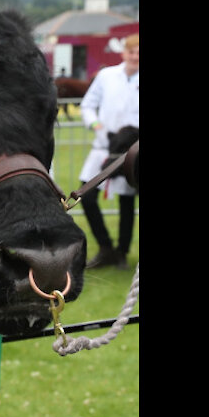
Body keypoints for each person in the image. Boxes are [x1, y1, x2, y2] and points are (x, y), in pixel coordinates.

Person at [78, 33, 139, 269]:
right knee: (87, 195)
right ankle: (105, 247)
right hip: (103, 146)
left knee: (126, 201)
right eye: (131, 52)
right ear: (124, 52)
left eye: (138, 53)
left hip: (132, 151)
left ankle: (121, 252)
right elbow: (88, 105)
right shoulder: (105, 76)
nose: (135, 56)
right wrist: (95, 124)